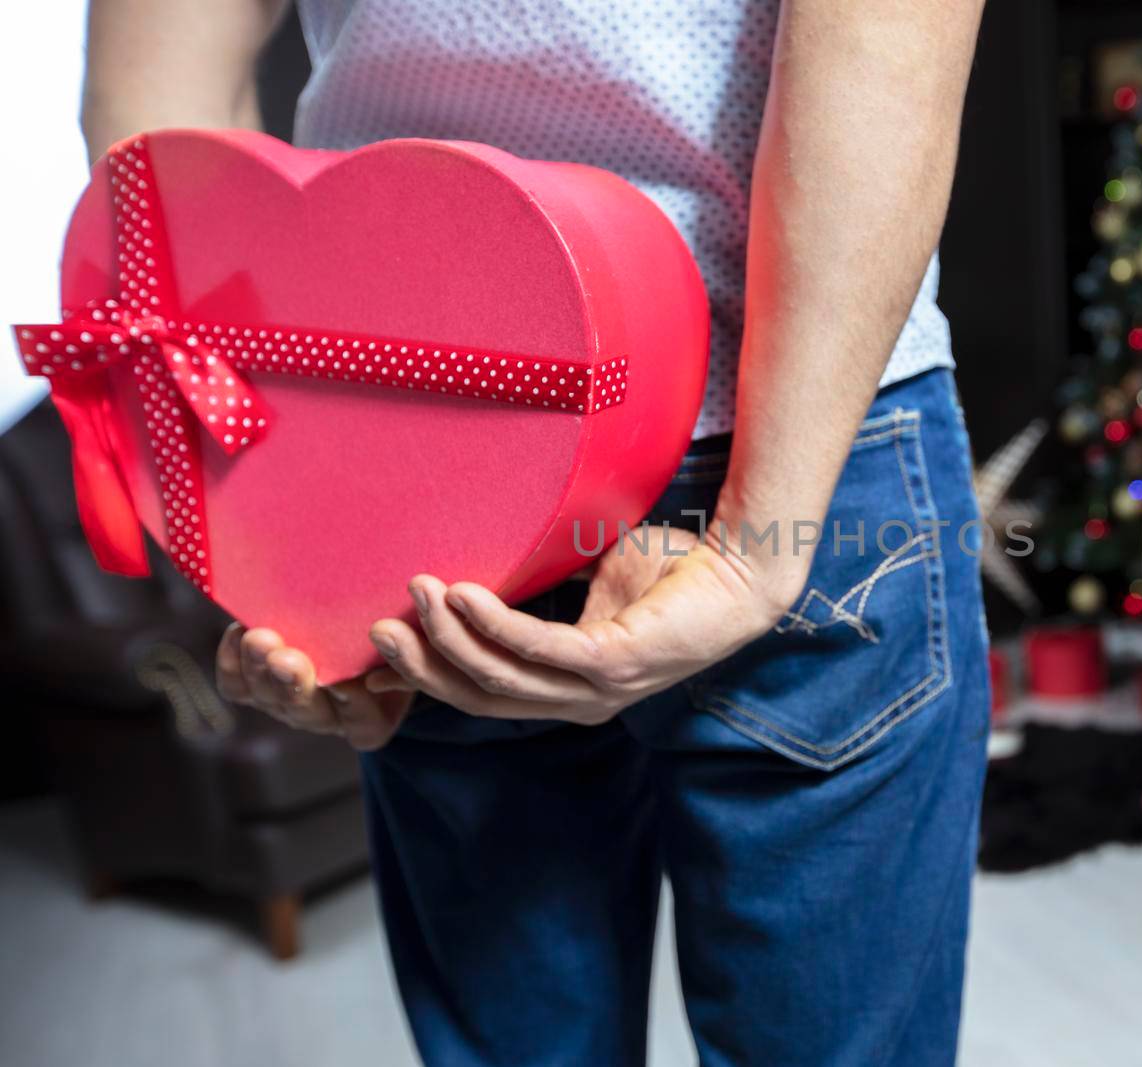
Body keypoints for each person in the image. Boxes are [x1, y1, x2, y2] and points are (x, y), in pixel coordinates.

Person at [84, 1, 991, 1063]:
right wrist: (754, 544)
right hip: (780, 432)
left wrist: (281, 540)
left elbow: (154, 124)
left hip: (405, 451)